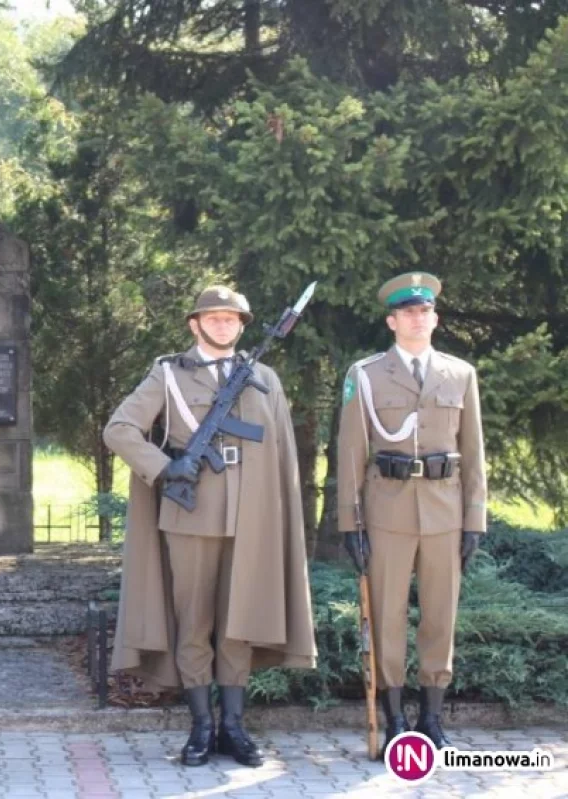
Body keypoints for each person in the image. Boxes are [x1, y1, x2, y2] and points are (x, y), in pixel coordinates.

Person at [104, 285, 316, 768]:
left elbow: (281, 454)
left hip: (251, 518)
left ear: (243, 326)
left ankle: (234, 729)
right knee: (195, 625)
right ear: (194, 324)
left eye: (232, 318)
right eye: (213, 317)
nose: (223, 325)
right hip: (192, 513)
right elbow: (119, 429)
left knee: (238, 625)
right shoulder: (168, 375)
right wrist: (163, 467)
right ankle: (201, 728)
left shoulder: (264, 378)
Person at [337, 271, 486, 754]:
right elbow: (350, 453)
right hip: (387, 512)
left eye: (424, 311)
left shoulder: (460, 374)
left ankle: (432, 717)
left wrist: (474, 520)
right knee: (388, 616)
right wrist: (349, 523)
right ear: (391, 321)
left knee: (440, 616)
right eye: (407, 312)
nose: (416, 318)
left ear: (435, 318)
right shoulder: (366, 375)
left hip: (445, 512)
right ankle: (395, 714)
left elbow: (475, 452)